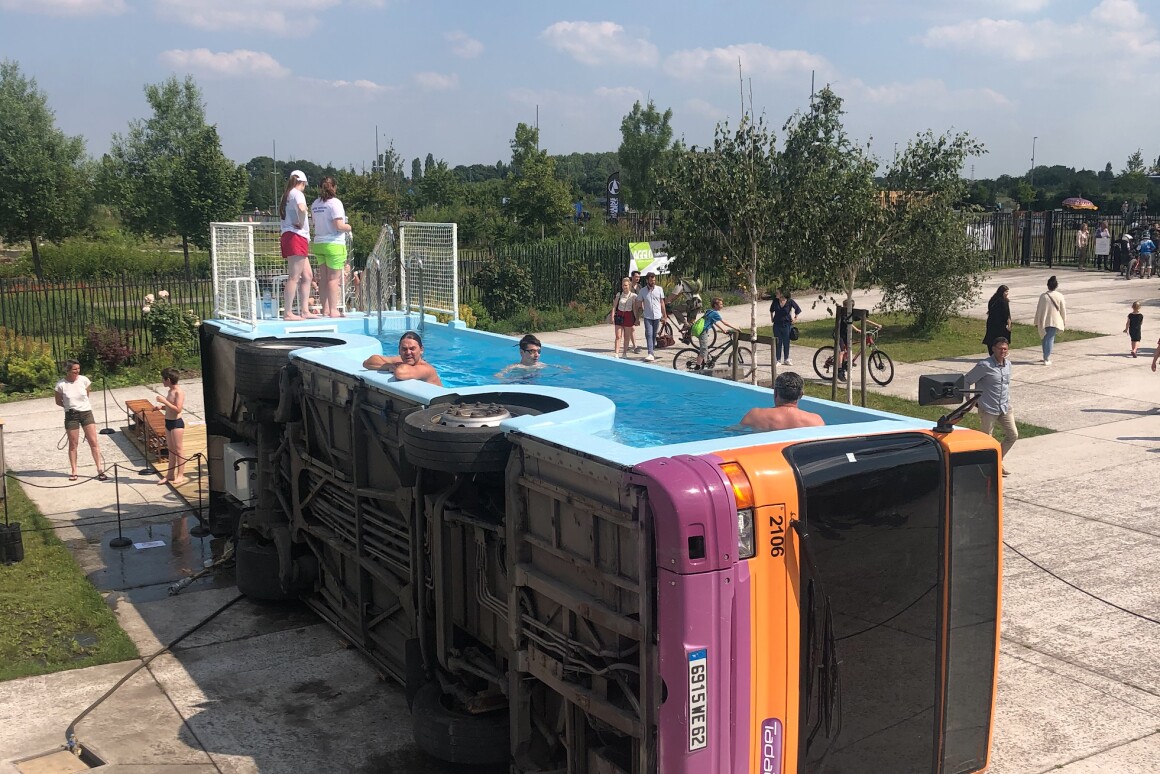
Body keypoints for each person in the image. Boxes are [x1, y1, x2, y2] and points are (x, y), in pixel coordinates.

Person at [964, 337, 1017, 477]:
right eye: (1000, 348)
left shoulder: (1008, 365)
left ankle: (997, 461)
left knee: (1013, 435)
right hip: (988, 408)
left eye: (1005, 349)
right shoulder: (984, 365)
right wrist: (969, 400)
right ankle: (985, 468)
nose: (1003, 351)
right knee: (986, 439)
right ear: (993, 349)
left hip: (1005, 407)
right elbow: (967, 380)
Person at [54, 360, 106, 481]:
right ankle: (74, 470)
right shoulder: (60, 385)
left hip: (86, 413)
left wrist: (80, 406)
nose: (77, 371)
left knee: (93, 441)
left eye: (78, 368)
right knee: (73, 444)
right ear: (68, 371)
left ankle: (99, 469)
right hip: (71, 415)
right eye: (74, 369)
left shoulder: (84, 380)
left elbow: (87, 395)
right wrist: (70, 407)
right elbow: (58, 401)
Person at [310, 176, 353, 318]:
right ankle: (334, 310)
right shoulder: (335, 203)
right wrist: (349, 227)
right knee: (333, 279)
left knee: (323, 278)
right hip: (334, 244)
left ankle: (326, 309)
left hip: (319, 243)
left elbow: (315, 223)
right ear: (334, 187)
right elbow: (339, 226)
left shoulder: (315, 204)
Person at [279, 170, 317, 321]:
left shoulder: (287, 194)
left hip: (291, 236)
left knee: (307, 275)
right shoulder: (297, 193)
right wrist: (301, 223)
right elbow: (302, 209)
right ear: (303, 183)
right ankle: (288, 312)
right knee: (294, 276)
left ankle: (305, 310)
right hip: (296, 236)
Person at [740, 372, 824, 431]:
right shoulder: (816, 421)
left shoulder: (755, 416)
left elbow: (734, 433)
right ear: (801, 395)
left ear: (775, 392)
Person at [362, 331, 443, 385]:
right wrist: (389, 366)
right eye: (404, 349)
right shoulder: (400, 361)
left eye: (412, 349)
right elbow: (367, 363)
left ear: (421, 350)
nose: (408, 353)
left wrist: (395, 367)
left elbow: (400, 373)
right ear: (399, 350)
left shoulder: (427, 369)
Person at [154, 368, 187, 486]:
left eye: (162, 379)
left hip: (176, 423)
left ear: (168, 379)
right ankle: (170, 474)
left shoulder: (179, 392)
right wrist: (161, 407)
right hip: (168, 421)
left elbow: (178, 409)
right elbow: (170, 406)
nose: (162, 381)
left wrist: (164, 401)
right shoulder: (170, 391)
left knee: (178, 449)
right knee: (171, 450)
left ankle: (180, 474)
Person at [694, 297, 739, 369]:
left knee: (705, 349)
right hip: (703, 332)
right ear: (715, 305)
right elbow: (725, 323)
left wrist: (723, 330)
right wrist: (735, 328)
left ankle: (705, 363)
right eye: (720, 304)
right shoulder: (715, 313)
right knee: (704, 350)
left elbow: (714, 322)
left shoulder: (709, 311)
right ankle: (697, 367)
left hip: (703, 331)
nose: (722, 306)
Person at [1033, 275, 1066, 366]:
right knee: (1050, 339)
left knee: (1045, 338)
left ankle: (1045, 356)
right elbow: (1063, 309)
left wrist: (1036, 321)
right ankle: (1046, 357)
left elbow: (1038, 309)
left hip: (1044, 320)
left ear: (1048, 285)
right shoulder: (1059, 295)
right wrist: (1064, 320)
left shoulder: (1043, 296)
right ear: (1056, 286)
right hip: (1054, 321)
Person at [637, 272, 667, 362]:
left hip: (657, 315)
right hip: (647, 316)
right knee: (649, 334)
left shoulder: (659, 289)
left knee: (654, 334)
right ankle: (650, 353)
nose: (653, 282)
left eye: (654, 280)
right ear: (647, 280)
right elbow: (638, 302)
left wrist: (665, 315)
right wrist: (637, 316)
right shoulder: (642, 291)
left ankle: (652, 351)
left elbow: (662, 303)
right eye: (651, 280)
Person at [770, 288, 802, 366]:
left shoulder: (790, 301)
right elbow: (771, 310)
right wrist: (772, 318)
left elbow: (797, 309)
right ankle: (778, 360)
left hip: (787, 324)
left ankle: (786, 359)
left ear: (783, 294)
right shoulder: (775, 301)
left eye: (778, 293)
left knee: (786, 342)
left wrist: (795, 318)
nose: (777, 294)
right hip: (777, 324)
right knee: (778, 342)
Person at [610, 277, 637, 358]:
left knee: (626, 336)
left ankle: (624, 352)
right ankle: (616, 353)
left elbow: (634, 309)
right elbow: (614, 306)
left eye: (626, 285)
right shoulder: (619, 295)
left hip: (628, 315)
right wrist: (612, 316)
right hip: (619, 315)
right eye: (623, 285)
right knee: (618, 336)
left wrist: (636, 319)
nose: (624, 287)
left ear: (629, 285)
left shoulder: (633, 296)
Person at [982, 285, 1012, 351]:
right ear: (1002, 292)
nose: (1007, 293)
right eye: (1006, 291)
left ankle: (995, 351)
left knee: (993, 338)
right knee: (999, 340)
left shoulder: (994, 300)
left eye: (1007, 291)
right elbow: (1006, 314)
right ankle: (997, 352)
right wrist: (1009, 324)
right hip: (998, 324)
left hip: (993, 322)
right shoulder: (1001, 301)